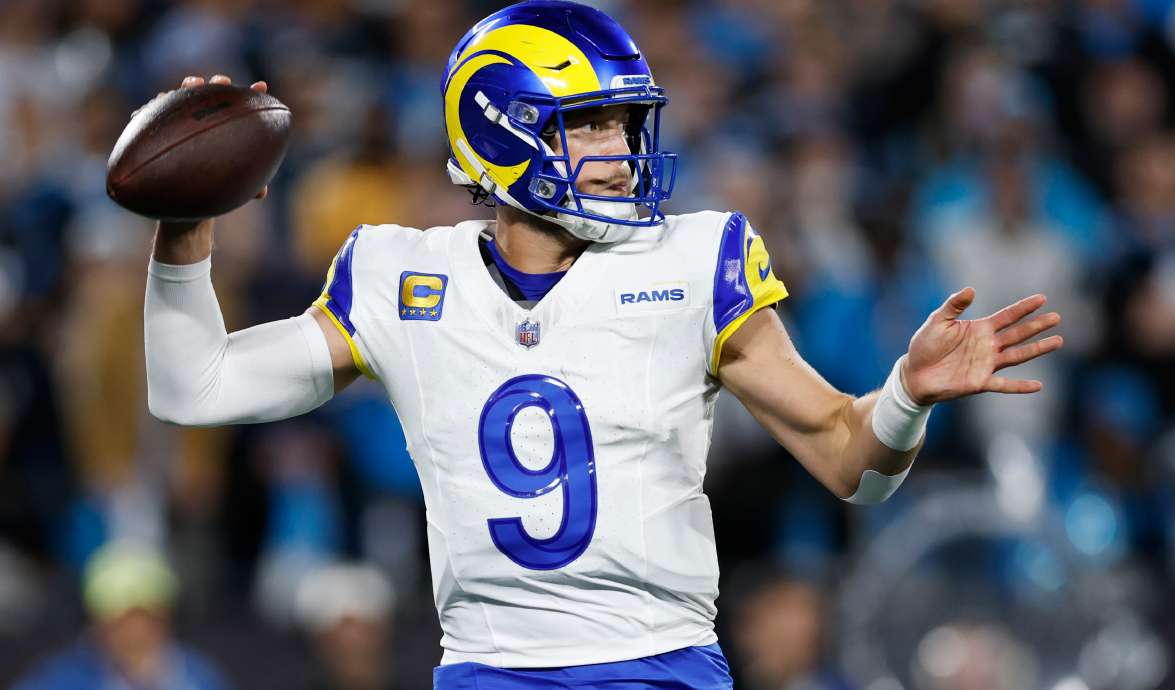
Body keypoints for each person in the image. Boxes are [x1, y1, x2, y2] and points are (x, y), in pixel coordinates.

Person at [140, 2, 1063, 687]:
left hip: (659, 664)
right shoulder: (400, 276)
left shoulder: (696, 259)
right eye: (589, 123)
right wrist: (184, 232)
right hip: (487, 670)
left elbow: (850, 465)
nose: (621, 150)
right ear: (502, 131)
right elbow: (197, 388)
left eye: (622, 123)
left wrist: (904, 393)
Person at [12, 541, 230, 690]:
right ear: (98, 624)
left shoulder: (200, 677)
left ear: (164, 617)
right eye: (119, 621)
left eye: (143, 617)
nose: (133, 633)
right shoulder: (62, 678)